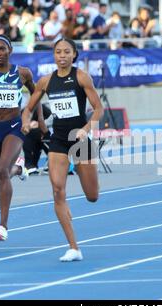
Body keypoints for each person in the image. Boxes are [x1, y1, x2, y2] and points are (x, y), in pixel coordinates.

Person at [21, 38, 104, 262]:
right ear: (54, 55)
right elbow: (28, 108)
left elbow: (98, 108)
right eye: (58, 52)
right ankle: (73, 247)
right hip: (58, 141)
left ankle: (82, 179)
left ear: (74, 54)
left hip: (79, 140)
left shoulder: (81, 77)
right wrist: (26, 122)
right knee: (58, 191)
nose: (62, 56)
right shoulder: (46, 82)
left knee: (92, 196)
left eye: (67, 52)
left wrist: (87, 128)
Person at [0, 34, 47, 241]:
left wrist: (39, 119)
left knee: (2, 172)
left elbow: (37, 95)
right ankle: (19, 168)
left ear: (10, 51)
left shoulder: (22, 73)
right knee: (1, 174)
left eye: (2, 49)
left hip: (14, 127)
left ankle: (3, 225)